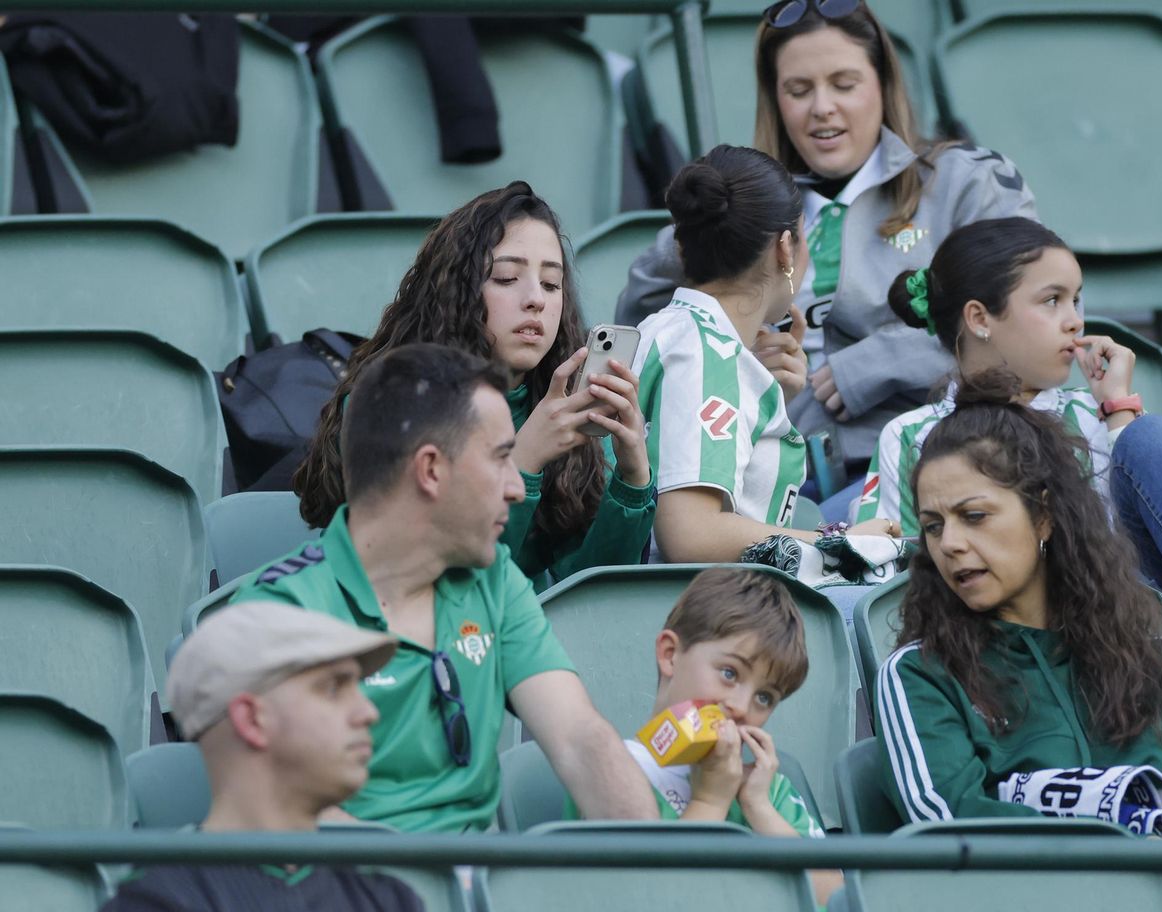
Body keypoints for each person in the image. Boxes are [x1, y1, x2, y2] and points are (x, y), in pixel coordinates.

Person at [619, 0, 1036, 498]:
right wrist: (737, 359)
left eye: (844, 84)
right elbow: (642, 316)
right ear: (775, 99)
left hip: (935, 462)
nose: (822, 107)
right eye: (799, 90)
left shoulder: (967, 181)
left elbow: (1026, 323)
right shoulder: (751, 201)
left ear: (883, 83)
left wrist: (878, 361)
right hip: (773, 477)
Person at [237, 344, 658, 832]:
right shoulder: (279, 613)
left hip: (477, 873)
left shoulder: (494, 579)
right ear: (431, 470)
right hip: (351, 877)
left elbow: (580, 738)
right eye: (501, 458)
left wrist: (651, 847)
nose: (517, 486)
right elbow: (295, 819)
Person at [874, 377, 1162, 839]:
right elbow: (957, 828)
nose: (950, 544)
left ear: (1043, 516)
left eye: (974, 516)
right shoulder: (920, 676)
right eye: (933, 526)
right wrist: (1138, 857)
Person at [861, 217, 1162, 605]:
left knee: (1152, 438)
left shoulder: (1100, 413)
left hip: (1126, 618)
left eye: (1075, 300)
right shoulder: (909, 435)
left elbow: (1144, 557)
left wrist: (1119, 412)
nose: (1075, 321)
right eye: (1052, 301)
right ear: (980, 319)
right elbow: (899, 586)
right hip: (987, 625)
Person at [295, 181, 654, 586]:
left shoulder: (565, 406)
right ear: (455, 291)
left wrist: (632, 478)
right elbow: (440, 584)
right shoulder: (390, 404)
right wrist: (523, 461)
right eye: (506, 277)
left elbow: (588, 593)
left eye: (552, 284)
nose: (536, 299)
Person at [90, 602, 456, 912]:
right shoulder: (155, 909)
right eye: (333, 688)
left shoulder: (392, 902)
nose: (368, 712)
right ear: (251, 719)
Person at [633, 143, 897, 563]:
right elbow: (690, 535)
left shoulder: (668, 332)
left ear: (683, 248)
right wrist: (840, 541)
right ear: (785, 248)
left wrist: (760, 396)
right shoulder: (707, 355)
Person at [617, 566, 841, 904]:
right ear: (670, 655)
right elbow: (653, 902)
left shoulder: (768, 788)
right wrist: (710, 800)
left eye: (764, 697)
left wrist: (758, 807)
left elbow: (836, 899)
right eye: (729, 673)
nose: (740, 706)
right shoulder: (614, 770)